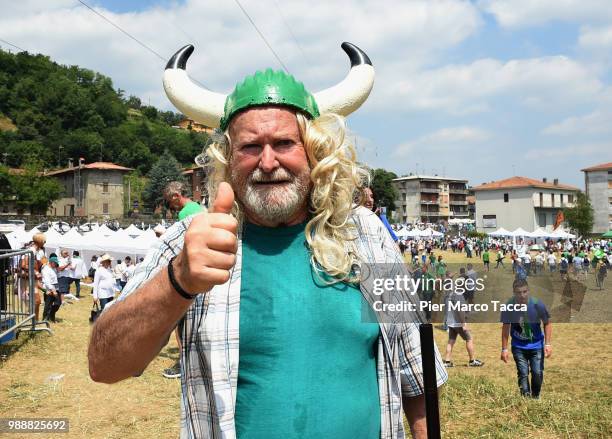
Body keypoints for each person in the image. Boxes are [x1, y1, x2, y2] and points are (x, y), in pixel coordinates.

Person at [89, 42, 446, 439]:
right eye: (250, 147)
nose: (268, 162)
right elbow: (105, 366)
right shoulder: (189, 242)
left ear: (314, 152)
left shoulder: (366, 233)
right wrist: (179, 280)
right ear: (227, 157)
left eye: (283, 143)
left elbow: (417, 370)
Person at [500, 278, 552, 399]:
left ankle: (535, 397)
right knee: (523, 374)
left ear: (528, 291)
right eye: (518, 292)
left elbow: (547, 323)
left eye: (524, 291)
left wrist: (548, 344)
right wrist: (504, 349)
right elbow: (505, 328)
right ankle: (525, 399)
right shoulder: (509, 306)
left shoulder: (537, 304)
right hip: (518, 346)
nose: (522, 295)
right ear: (514, 292)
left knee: (537, 373)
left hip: (537, 345)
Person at [443, 270, 484, 368]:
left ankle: (447, 362)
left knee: (451, 340)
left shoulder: (451, 292)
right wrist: (463, 323)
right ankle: (472, 360)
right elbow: (459, 310)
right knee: (469, 339)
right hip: (458, 323)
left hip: (450, 322)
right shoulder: (458, 294)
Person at [41, 256, 60, 322]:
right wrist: (52, 290)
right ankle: (45, 319)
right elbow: (47, 281)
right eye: (56, 264)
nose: (57, 265)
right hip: (49, 288)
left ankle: (51, 314)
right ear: (52, 262)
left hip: (56, 287)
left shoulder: (53, 268)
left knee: (58, 303)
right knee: (48, 305)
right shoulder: (45, 269)